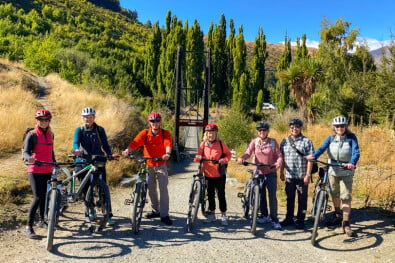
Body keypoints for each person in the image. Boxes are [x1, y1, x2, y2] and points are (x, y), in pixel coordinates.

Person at [306, 116, 360, 237]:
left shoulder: (351, 138)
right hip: (332, 170)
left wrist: (352, 163)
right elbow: (321, 148)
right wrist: (314, 156)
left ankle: (346, 222)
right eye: (337, 126)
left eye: (342, 126)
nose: (339, 128)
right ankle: (338, 215)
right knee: (334, 194)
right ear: (334, 128)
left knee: (345, 196)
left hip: (346, 171)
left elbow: (356, 151)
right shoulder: (330, 139)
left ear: (346, 127)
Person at [121, 112, 173, 225]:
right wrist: (127, 150)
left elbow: (168, 143)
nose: (155, 123)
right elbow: (135, 142)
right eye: (152, 121)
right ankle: (156, 210)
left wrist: (167, 153)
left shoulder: (165, 133)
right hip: (148, 164)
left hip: (160, 164)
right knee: (151, 188)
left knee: (163, 188)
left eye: (157, 121)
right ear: (149, 122)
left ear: (160, 122)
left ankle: (164, 215)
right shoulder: (145, 133)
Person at [72, 107, 117, 226]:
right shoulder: (79, 130)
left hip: (98, 160)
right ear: (83, 118)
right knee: (87, 188)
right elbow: (76, 142)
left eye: (91, 117)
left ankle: (107, 214)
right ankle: (90, 211)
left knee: (103, 187)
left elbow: (105, 144)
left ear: (94, 118)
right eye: (86, 117)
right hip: (83, 161)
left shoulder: (100, 130)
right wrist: (76, 150)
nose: (88, 119)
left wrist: (110, 154)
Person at [237, 122, 283, 230]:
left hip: (270, 172)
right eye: (260, 130)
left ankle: (274, 219)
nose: (262, 132)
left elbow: (279, 156)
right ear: (257, 132)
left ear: (267, 131)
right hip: (258, 172)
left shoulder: (273, 142)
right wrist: (242, 158)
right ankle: (264, 215)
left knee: (272, 196)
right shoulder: (255, 142)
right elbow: (248, 152)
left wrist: (278, 163)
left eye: (264, 130)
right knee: (261, 195)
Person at [23, 109, 55, 239]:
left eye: (46, 120)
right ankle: (28, 227)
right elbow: (25, 152)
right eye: (41, 120)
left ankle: (42, 220)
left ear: (49, 121)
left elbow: (51, 152)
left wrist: (54, 163)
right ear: (37, 121)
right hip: (35, 169)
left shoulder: (51, 134)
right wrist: (29, 157)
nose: (44, 122)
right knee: (37, 197)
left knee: (45, 196)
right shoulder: (32, 135)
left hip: (47, 169)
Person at [194, 123, 232, 226]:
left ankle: (223, 214)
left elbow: (228, 154)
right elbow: (199, 155)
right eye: (208, 133)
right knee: (210, 194)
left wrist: (223, 160)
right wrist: (197, 158)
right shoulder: (203, 144)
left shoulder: (221, 143)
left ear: (216, 133)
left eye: (213, 133)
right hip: (208, 174)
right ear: (206, 134)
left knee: (221, 194)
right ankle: (212, 214)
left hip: (219, 173)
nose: (210, 135)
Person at [279, 118, 314, 229]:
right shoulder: (284, 141)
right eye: (292, 127)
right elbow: (282, 158)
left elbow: (311, 160)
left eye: (297, 127)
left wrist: (308, 175)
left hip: (302, 176)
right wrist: (281, 172)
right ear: (290, 128)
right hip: (289, 176)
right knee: (289, 198)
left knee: (302, 199)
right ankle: (289, 218)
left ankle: (300, 220)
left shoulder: (307, 141)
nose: (294, 129)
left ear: (300, 128)